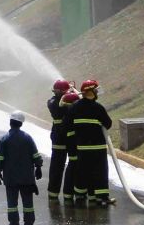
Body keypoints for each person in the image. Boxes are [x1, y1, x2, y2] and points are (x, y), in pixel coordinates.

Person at [0, 111, 44, 225]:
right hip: (27, 178)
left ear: (10, 122)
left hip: (10, 178)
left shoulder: (3, 139)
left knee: (12, 205)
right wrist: (38, 167)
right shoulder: (27, 138)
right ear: (21, 124)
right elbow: (36, 155)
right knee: (28, 205)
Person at [67, 79, 114, 207]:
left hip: (82, 148)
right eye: (96, 90)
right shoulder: (98, 108)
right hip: (98, 148)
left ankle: (81, 195)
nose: (97, 92)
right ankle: (102, 197)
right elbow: (108, 124)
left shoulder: (74, 107)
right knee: (100, 172)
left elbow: (68, 125)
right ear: (91, 92)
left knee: (82, 172)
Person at [46, 79, 72, 203]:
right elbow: (59, 106)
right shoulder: (53, 102)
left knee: (73, 165)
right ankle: (53, 192)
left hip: (69, 136)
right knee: (57, 165)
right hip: (60, 136)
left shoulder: (69, 102)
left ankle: (68, 193)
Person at [59, 90, 81, 203]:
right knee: (73, 166)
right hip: (73, 144)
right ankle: (70, 192)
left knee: (73, 166)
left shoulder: (67, 113)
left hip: (71, 143)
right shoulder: (70, 115)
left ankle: (69, 193)